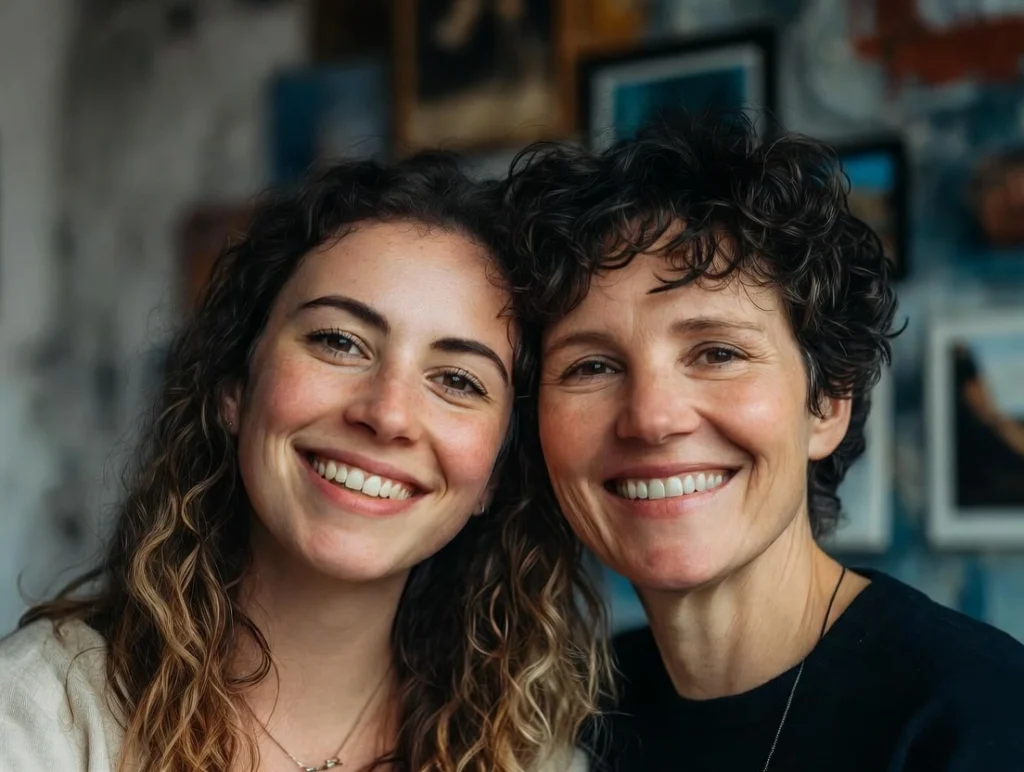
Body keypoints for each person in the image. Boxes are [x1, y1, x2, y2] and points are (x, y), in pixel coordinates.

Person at [0, 154, 603, 772]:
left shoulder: (534, 762)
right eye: (339, 342)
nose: (388, 414)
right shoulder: (40, 721)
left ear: (495, 474)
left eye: (456, 379)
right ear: (235, 384)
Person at [501, 113, 1024, 771]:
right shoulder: (559, 720)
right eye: (592, 366)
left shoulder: (982, 719)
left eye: (717, 352)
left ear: (828, 403)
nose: (652, 418)